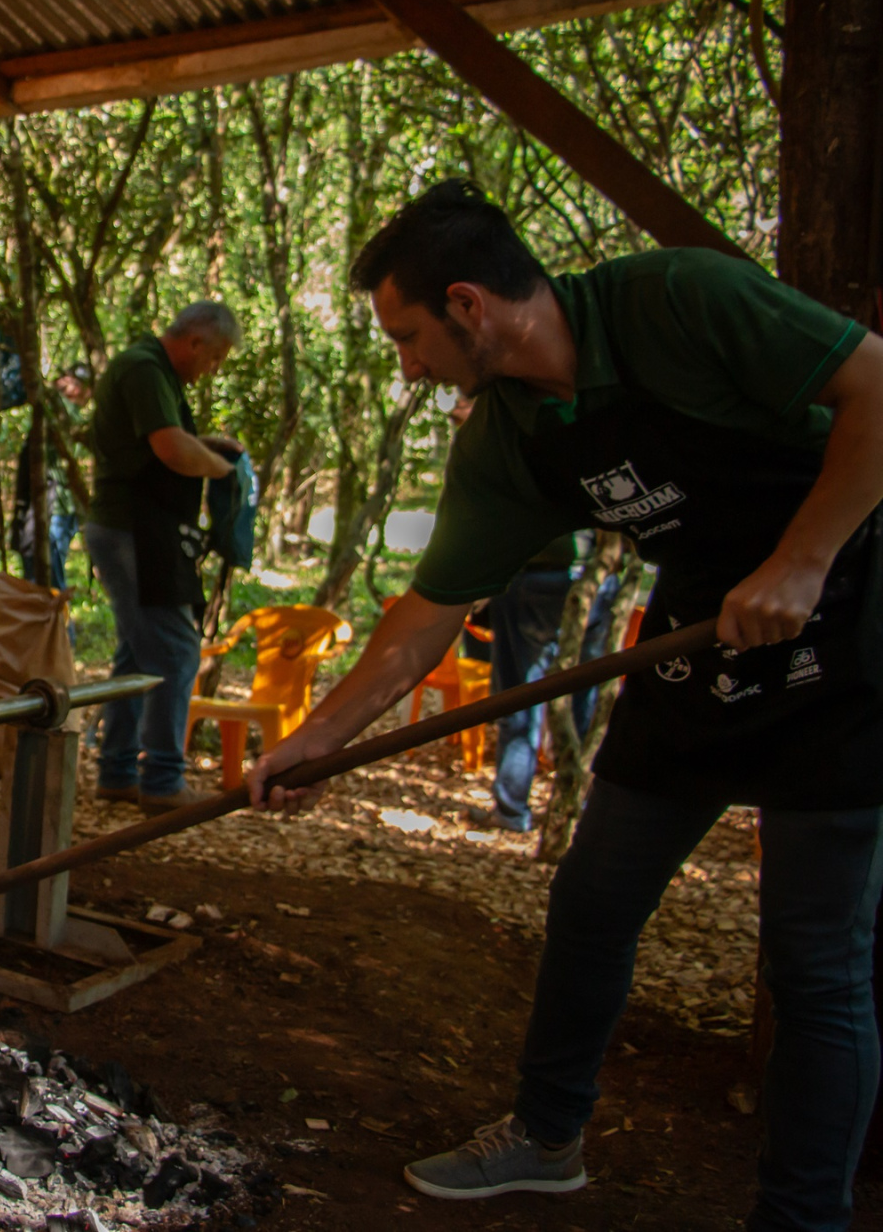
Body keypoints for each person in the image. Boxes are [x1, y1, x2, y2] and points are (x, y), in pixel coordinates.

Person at [245, 179, 883, 1230]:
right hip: (695, 637)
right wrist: (315, 737)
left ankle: (800, 1217)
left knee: (813, 959)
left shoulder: (677, 299)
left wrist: (802, 560)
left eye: (406, 338)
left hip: (848, 620)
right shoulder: (509, 434)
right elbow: (427, 609)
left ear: (466, 304)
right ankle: (545, 1136)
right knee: (591, 899)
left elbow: (875, 387)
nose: (406, 368)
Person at [85, 302, 242, 816]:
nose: (211, 369)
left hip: (136, 529)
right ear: (195, 341)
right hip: (133, 530)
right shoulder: (144, 367)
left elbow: (164, 443)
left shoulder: (156, 375)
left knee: (137, 650)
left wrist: (204, 446)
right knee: (176, 651)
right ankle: (163, 780)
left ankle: (117, 772)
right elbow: (171, 450)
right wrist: (220, 468)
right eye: (214, 357)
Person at [474, 532, 622, 832]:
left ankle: (516, 810)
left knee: (521, 699)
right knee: (582, 697)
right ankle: (576, 808)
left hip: (544, 576)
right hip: (590, 577)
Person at [11, 362, 92, 592]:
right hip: (41, 505)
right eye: (67, 378)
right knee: (37, 582)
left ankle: (62, 629)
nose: (66, 385)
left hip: (57, 508)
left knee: (51, 585)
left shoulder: (66, 414)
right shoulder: (52, 411)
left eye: (76, 383)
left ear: (85, 392)